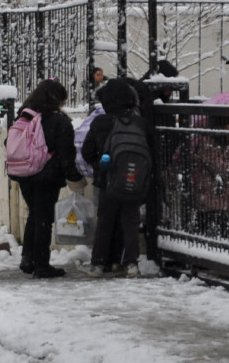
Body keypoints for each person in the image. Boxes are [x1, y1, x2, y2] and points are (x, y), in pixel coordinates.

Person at [81, 77, 155, 278]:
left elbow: (87, 152)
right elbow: (152, 152)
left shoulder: (100, 122)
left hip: (107, 182)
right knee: (130, 223)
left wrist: (102, 166)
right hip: (134, 179)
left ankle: (97, 264)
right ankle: (131, 264)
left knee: (105, 222)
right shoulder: (140, 123)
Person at [10, 79, 81, 280]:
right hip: (47, 177)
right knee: (44, 219)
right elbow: (66, 154)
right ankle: (41, 264)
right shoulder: (60, 122)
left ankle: (28, 258)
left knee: (35, 215)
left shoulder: (25, 116)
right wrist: (74, 177)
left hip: (24, 173)